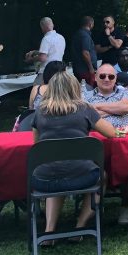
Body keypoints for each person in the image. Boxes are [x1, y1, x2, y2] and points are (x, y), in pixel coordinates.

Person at [30, 72, 117, 237]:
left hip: (44, 179)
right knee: (102, 176)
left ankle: (49, 231)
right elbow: (111, 132)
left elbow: (37, 146)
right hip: (81, 176)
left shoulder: (40, 112)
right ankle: (80, 226)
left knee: (57, 171)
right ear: (74, 88)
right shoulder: (84, 109)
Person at [83, 64, 128, 129]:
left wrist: (95, 107)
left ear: (115, 78)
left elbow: (126, 107)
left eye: (111, 77)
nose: (107, 79)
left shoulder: (126, 92)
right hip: (94, 137)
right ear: (95, 77)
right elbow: (84, 116)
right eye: (102, 76)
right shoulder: (85, 95)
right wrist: (117, 110)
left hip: (121, 137)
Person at [71, 16, 97, 86]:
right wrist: (91, 68)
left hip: (77, 68)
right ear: (90, 24)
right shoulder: (85, 36)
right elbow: (85, 53)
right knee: (88, 90)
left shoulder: (77, 34)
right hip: (85, 70)